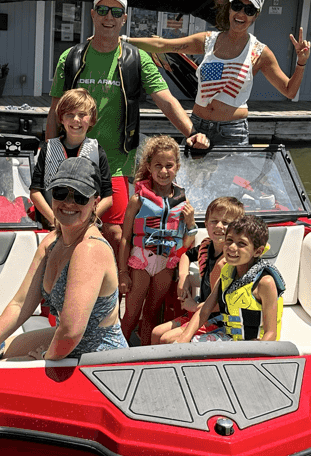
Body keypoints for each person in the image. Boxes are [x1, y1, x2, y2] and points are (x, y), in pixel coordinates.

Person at [45, 0, 210, 253]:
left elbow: (167, 100)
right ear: (93, 14)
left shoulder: (137, 58)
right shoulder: (71, 57)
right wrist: (52, 160)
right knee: (68, 227)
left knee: (114, 231)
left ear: (124, 18)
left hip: (118, 163)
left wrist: (192, 133)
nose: (108, 17)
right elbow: (54, 113)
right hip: (73, 160)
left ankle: (110, 286)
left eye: (116, 12)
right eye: (103, 10)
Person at [0, 157, 125, 364]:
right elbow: (20, 304)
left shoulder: (89, 249)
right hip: (65, 347)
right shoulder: (52, 242)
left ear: (95, 202)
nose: (68, 202)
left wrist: (44, 358)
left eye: (80, 197)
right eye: (60, 193)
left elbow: (71, 331)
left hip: (96, 363)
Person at [125, 0, 311, 147]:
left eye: (249, 10)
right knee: (189, 180)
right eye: (237, 6)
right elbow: (163, 45)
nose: (241, 14)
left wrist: (301, 63)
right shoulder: (207, 41)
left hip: (232, 132)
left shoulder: (260, 52)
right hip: (197, 128)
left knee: (230, 182)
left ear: (256, 16)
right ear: (229, 8)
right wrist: (122, 40)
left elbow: (289, 91)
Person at [118, 136, 196, 344]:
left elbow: (187, 244)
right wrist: (123, 273)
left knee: (152, 314)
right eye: (158, 166)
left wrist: (190, 223)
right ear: (149, 168)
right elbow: (125, 238)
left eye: (169, 166)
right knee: (132, 314)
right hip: (140, 260)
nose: (163, 171)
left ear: (177, 167)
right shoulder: (137, 199)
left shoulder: (183, 202)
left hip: (166, 263)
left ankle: (146, 356)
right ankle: (116, 355)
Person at [150, 195, 244, 346]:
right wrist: (183, 278)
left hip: (220, 319)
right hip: (202, 311)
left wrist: (193, 306)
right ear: (206, 224)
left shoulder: (230, 261)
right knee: (156, 333)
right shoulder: (207, 246)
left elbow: (223, 303)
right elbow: (186, 255)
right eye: (214, 221)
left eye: (226, 223)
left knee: (166, 339)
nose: (219, 226)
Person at [178, 215, 285, 345]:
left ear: (257, 251)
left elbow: (271, 333)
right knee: (181, 344)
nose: (232, 247)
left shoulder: (265, 283)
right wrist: (185, 336)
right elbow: (204, 310)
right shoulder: (227, 272)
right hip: (229, 339)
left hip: (255, 346)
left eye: (241, 244)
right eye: (229, 240)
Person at [29, 88, 112, 229]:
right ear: (61, 118)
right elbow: (35, 192)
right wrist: (55, 221)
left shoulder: (97, 151)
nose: (76, 120)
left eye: (82, 115)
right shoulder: (48, 149)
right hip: (53, 225)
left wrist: (85, 219)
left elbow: (108, 198)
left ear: (92, 119)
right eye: (70, 115)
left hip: (85, 226)